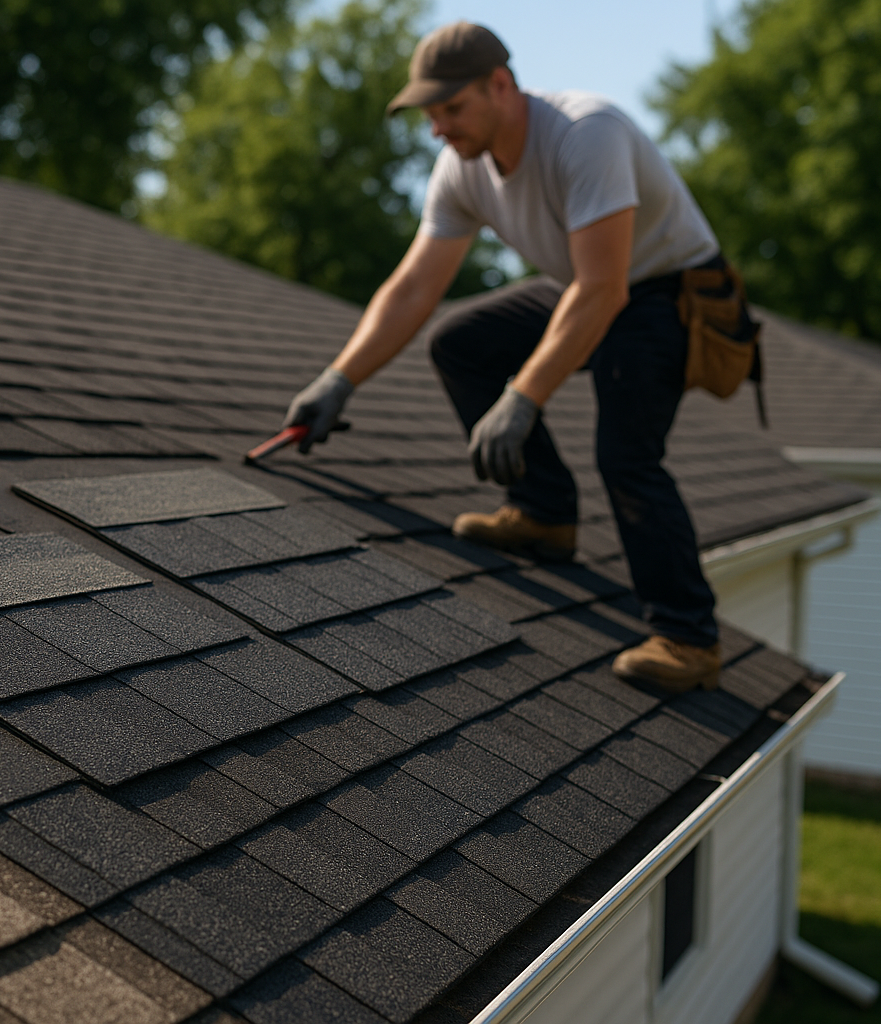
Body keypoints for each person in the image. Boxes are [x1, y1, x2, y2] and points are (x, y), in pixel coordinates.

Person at [282, 21, 741, 693]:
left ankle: (689, 638)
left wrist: (523, 399)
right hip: (584, 281)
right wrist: (338, 379)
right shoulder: (460, 166)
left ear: (501, 85)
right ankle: (545, 514)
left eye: (452, 109)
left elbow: (606, 290)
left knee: (626, 454)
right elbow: (413, 286)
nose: (439, 128)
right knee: (459, 343)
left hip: (666, 291)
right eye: (430, 115)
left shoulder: (588, 133)